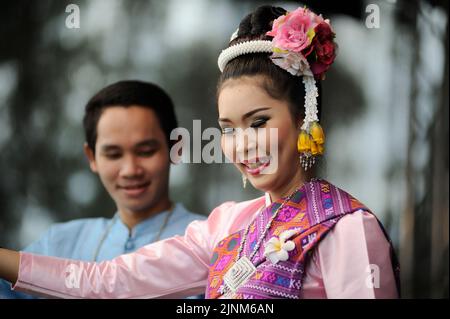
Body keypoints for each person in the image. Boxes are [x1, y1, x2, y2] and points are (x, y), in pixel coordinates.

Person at [0, 5, 400, 299]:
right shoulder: (226, 225)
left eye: (258, 122)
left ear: (303, 118)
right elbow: (108, 282)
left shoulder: (348, 229)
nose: (242, 144)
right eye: (228, 129)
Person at [0, 80, 205, 299]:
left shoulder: (211, 241)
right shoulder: (59, 243)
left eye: (146, 151)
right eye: (113, 154)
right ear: (92, 157)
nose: (130, 170)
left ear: (176, 148)